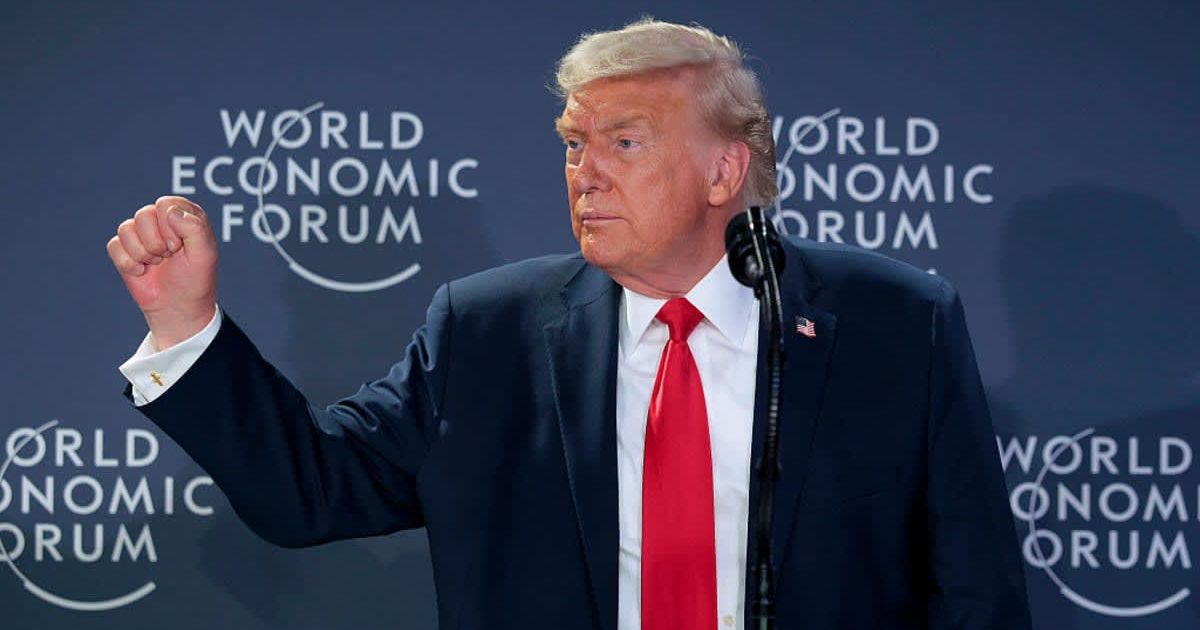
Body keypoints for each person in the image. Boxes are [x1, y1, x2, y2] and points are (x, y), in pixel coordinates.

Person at [106, 18, 1030, 630]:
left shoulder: (896, 324)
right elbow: (310, 492)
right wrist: (189, 324)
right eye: (574, 145)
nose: (585, 172)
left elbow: (978, 595)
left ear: (723, 172)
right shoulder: (487, 332)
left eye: (624, 142)